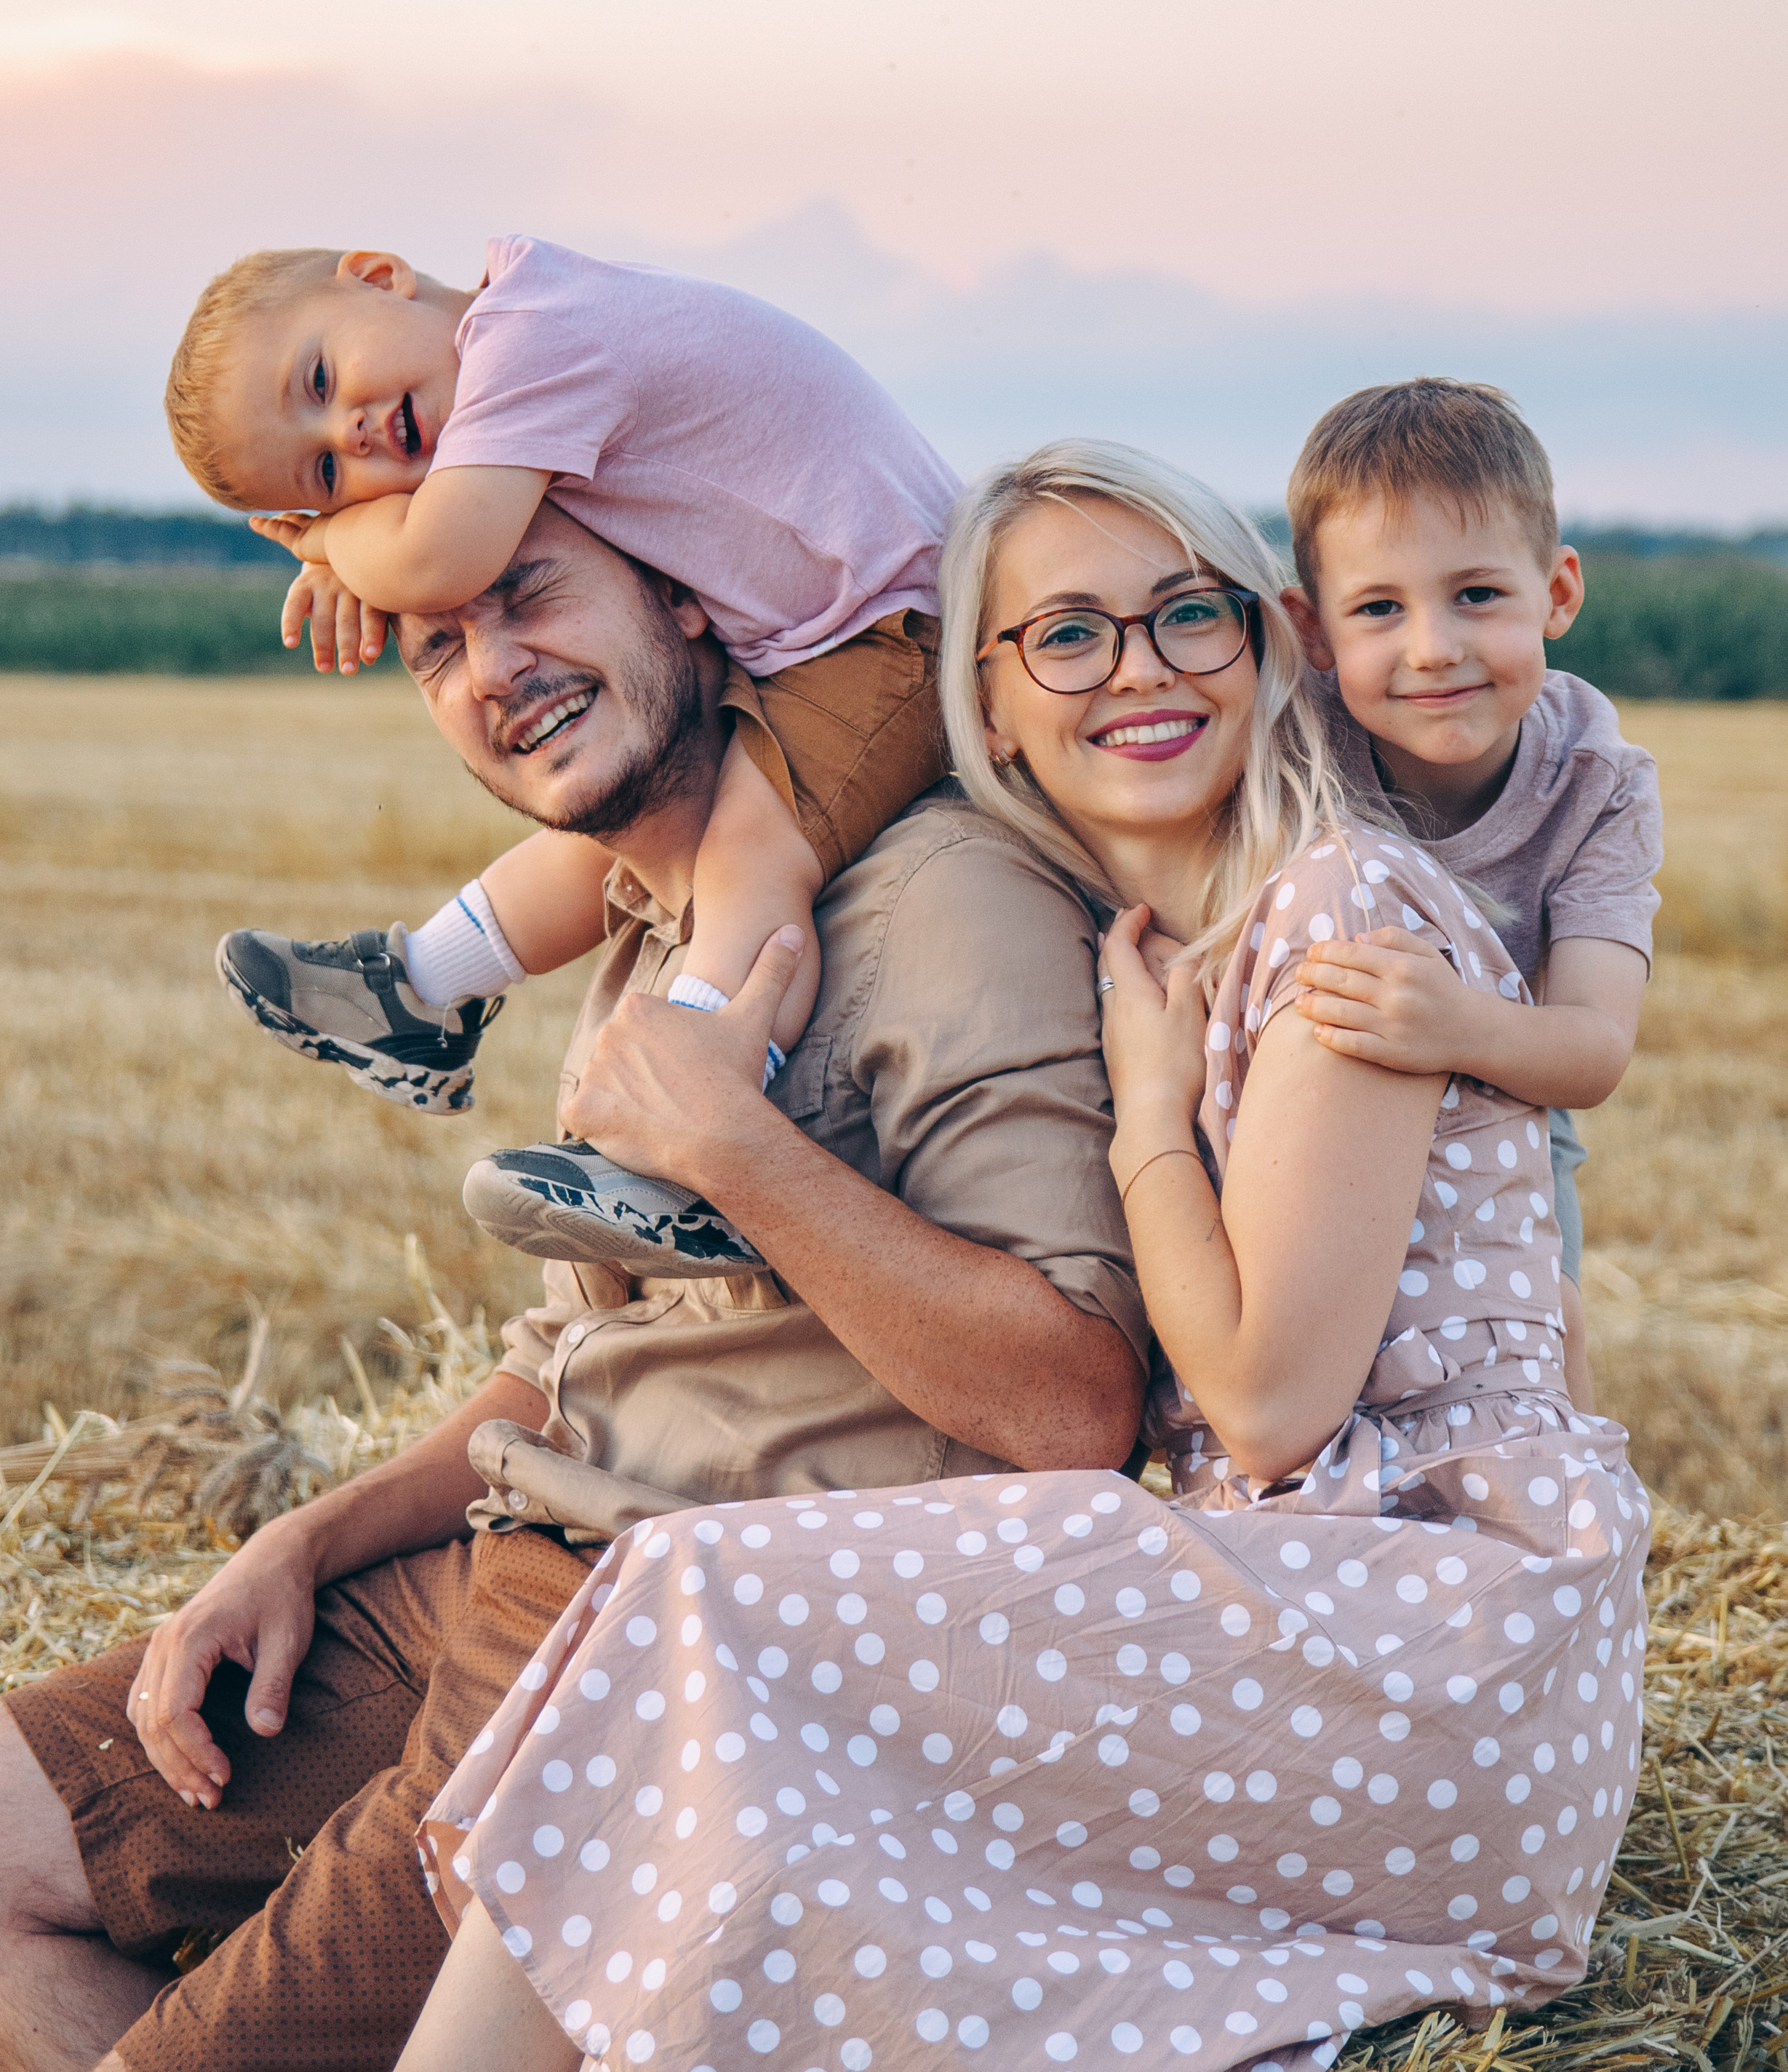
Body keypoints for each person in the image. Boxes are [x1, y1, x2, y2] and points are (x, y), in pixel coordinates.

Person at [394, 442, 1651, 2072]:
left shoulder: (1335, 914)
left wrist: (1142, 1109)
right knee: (744, 1756)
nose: (1134, 669)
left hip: (1433, 1643)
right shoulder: (1158, 940)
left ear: (1262, 644)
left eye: (1181, 617)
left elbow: (1266, 1408)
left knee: (704, 1595)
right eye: (1064, 634)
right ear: (985, 708)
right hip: (1306, 1614)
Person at [0, 502, 1146, 2072]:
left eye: (530, 595)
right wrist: (310, 1534)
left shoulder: (935, 898)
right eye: (437, 650)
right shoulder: (639, 925)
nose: (494, 671)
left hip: (665, 1674)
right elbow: (574, 1349)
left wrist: (731, 1144)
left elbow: (1075, 1399)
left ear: (685, 598)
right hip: (497, 1571)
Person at [164, 236, 957, 1262]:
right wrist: (376, 541)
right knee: (639, 818)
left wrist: (330, 540)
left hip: (901, 625)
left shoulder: (534, 338)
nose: (354, 433)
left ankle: (692, 1128)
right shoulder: (508, 362)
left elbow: (440, 554)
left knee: (747, 855)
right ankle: (416, 988)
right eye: (326, 471)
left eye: (319, 378)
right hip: (822, 624)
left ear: (377, 273)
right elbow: (426, 537)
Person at [1274, 379, 1663, 1415]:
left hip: (1505, 1085)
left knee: (1542, 1328)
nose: (1433, 646)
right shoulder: (1293, 739)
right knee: (1330, 1357)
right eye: (1379, 609)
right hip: (1306, 1089)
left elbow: (1591, 1048)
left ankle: (1570, 1546)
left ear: (1560, 592)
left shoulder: (1598, 782)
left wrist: (1453, 1027)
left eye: (1477, 595)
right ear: (1312, 631)